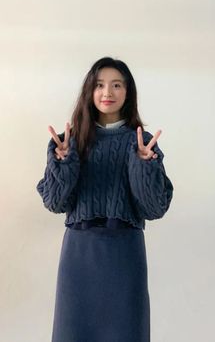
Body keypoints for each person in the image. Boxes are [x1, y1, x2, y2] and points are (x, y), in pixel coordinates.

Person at [36, 56, 174, 342]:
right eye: (99, 85)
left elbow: (154, 207)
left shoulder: (141, 142)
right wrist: (63, 162)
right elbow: (54, 202)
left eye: (116, 85)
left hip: (125, 255)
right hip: (79, 256)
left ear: (128, 92)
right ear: (90, 90)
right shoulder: (71, 141)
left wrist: (143, 165)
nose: (107, 93)